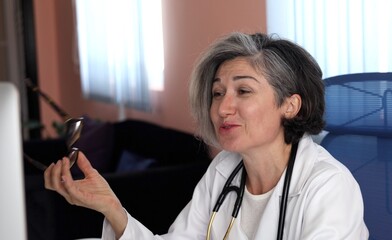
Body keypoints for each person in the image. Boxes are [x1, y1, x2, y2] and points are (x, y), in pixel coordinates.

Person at [44, 32, 369, 239]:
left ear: (290, 105)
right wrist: (111, 207)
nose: (223, 108)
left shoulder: (327, 186)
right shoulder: (225, 169)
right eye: (217, 93)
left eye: (243, 90)